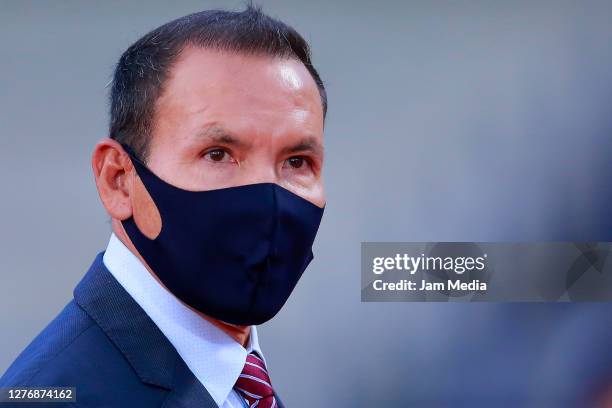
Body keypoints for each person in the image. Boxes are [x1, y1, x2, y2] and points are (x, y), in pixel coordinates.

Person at [0, 5, 326, 407]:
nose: (269, 199)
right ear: (117, 179)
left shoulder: (237, 377)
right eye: (218, 154)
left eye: (296, 162)